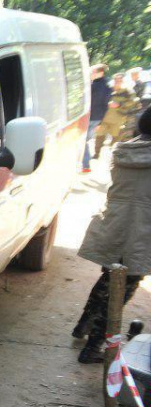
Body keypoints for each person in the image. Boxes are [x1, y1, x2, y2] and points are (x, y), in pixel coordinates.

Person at [74, 107, 151, 362]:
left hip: (115, 224)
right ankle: (93, 348)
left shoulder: (125, 150)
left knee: (109, 278)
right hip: (141, 231)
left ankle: (84, 325)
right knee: (121, 291)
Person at [95, 72, 140, 158]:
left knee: (116, 137)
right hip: (104, 117)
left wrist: (120, 104)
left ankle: (113, 154)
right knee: (99, 134)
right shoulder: (109, 89)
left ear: (123, 81)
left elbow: (133, 101)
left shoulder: (127, 91)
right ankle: (96, 154)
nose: (118, 82)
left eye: (120, 80)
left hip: (118, 118)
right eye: (116, 80)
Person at [84, 64, 111, 172]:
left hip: (89, 117)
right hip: (98, 118)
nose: (91, 74)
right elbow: (106, 105)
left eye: (93, 72)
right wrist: (101, 122)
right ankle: (85, 161)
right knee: (86, 139)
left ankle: (85, 164)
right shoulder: (107, 86)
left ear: (100, 73)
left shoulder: (93, 86)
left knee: (84, 140)